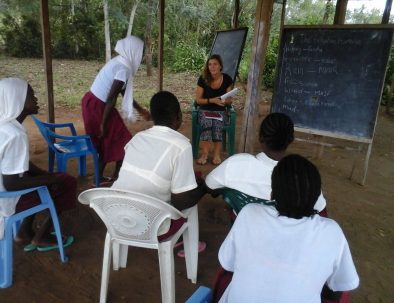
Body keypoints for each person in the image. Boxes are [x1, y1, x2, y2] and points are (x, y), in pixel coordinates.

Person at [218, 154, 359, 303]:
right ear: (318, 196)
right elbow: (341, 285)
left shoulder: (249, 213)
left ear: (272, 194)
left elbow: (228, 264)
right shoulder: (332, 232)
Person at [112, 91, 206, 249]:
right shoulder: (181, 146)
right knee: (191, 190)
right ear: (179, 117)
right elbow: (180, 202)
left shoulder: (137, 138)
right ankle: (188, 242)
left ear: (153, 116)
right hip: (153, 226)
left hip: (117, 216)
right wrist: (203, 188)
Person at [0, 77, 76, 252]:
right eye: (30, 95)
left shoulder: (5, 126)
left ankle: (23, 232)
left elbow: (20, 162)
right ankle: (41, 237)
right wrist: (49, 180)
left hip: (3, 191)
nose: (35, 99)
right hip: (6, 198)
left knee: (44, 179)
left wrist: (44, 174)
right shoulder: (15, 134)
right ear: (16, 98)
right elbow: (11, 184)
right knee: (65, 184)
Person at [206, 112, 327, 215]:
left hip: (244, 232)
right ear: (291, 140)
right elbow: (321, 211)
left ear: (261, 138)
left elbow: (209, 186)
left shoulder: (235, 164)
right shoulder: (304, 177)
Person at [81, 35, 150, 186]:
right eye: (141, 51)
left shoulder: (120, 62)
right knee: (120, 139)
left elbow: (122, 92)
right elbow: (112, 97)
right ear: (133, 51)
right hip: (99, 106)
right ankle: (112, 177)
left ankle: (104, 177)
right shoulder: (123, 69)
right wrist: (103, 124)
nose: (142, 55)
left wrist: (140, 110)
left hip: (96, 103)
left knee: (115, 138)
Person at [195, 54, 233, 165]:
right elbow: (198, 100)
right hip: (205, 110)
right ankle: (204, 154)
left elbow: (230, 99)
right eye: (210, 64)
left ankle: (216, 154)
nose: (212, 67)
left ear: (220, 66)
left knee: (218, 124)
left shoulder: (227, 79)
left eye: (215, 64)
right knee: (206, 124)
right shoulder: (203, 79)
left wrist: (227, 101)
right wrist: (213, 100)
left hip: (220, 111)